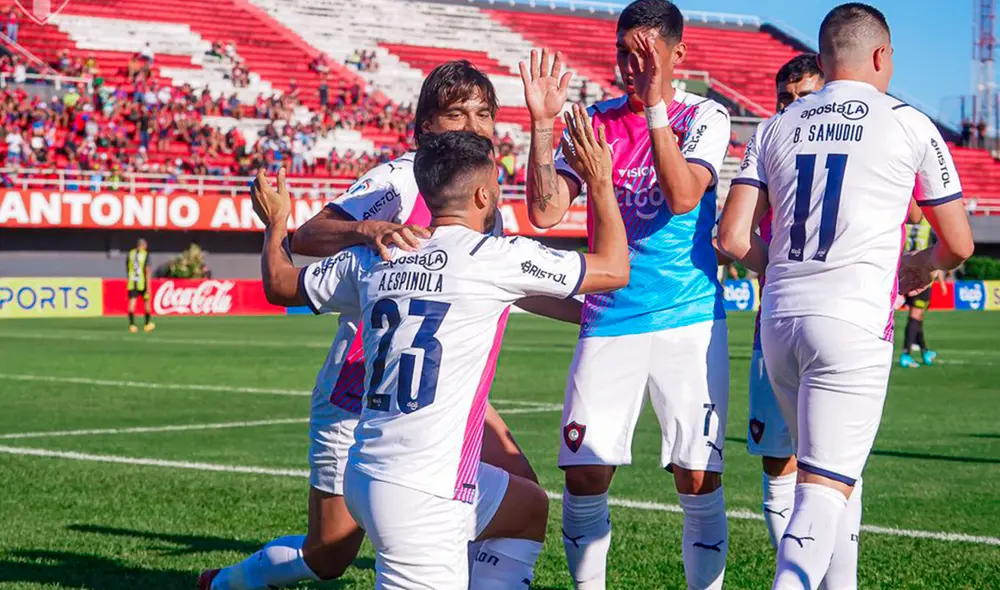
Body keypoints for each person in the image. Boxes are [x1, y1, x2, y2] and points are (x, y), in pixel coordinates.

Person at [200, 60, 582, 590]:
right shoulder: (404, 177)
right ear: (426, 126)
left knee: (521, 497)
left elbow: (507, 285)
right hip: (362, 386)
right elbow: (308, 236)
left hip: (433, 384)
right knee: (329, 554)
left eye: (483, 114)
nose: (473, 126)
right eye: (457, 114)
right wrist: (368, 228)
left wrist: (593, 315)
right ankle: (226, 583)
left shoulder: (478, 190)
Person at [250, 122, 629, 588]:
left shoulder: (379, 253)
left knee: (527, 508)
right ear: (484, 196)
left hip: (366, 471)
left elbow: (280, 284)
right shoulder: (494, 256)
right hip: (423, 490)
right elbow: (613, 269)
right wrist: (600, 181)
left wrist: (276, 222)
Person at [718, 4, 975, 589]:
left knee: (834, 476)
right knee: (820, 491)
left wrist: (785, 270)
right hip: (852, 320)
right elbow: (958, 243)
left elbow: (732, 238)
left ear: (824, 56)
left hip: (779, 320)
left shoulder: (776, 124)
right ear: (882, 55)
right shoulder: (908, 121)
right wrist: (920, 266)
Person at [520, 0, 731, 586]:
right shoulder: (596, 121)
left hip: (689, 318)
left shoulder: (705, 116)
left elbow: (682, 196)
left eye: (645, 54)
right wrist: (543, 128)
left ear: (677, 54)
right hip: (610, 317)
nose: (632, 66)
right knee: (585, 473)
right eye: (623, 54)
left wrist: (656, 105)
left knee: (697, 477)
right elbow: (545, 212)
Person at [746, 52, 824, 554]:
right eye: (785, 98)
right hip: (773, 319)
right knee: (777, 459)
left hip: (837, 317)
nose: (793, 106)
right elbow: (737, 233)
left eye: (805, 97)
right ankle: (792, 571)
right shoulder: (768, 147)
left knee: (829, 463)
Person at [899, 199, 948, 368]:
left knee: (918, 315)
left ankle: (924, 351)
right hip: (922, 274)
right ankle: (906, 354)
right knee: (916, 314)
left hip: (904, 269)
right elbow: (936, 254)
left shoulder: (905, 220)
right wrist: (940, 280)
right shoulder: (929, 223)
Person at [126, 238, 155, 333]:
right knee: (147, 303)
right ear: (143, 245)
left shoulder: (130, 253)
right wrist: (149, 287)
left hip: (132, 282)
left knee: (132, 304)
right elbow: (147, 270)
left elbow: (127, 267)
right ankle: (147, 324)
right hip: (143, 283)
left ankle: (132, 325)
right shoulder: (145, 254)